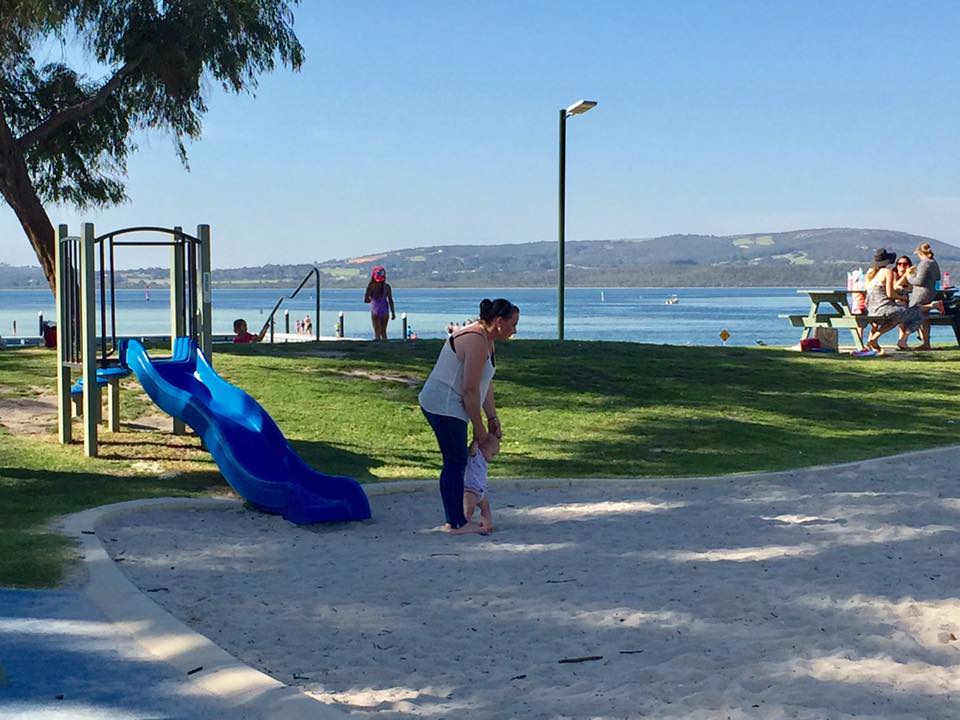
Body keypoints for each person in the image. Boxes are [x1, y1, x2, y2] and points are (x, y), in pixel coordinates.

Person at [418, 298, 519, 535]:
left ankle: (457, 518)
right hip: (443, 403)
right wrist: (478, 426)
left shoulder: (488, 340)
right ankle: (455, 523)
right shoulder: (475, 340)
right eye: (512, 324)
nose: (515, 330)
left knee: (457, 459)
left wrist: (492, 417)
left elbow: (486, 381)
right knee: (455, 461)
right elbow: (470, 389)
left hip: (454, 403)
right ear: (498, 321)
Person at [863, 248, 922, 354]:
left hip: (872, 310)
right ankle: (902, 341)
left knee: (895, 320)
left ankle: (873, 339)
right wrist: (903, 298)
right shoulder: (887, 272)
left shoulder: (872, 275)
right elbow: (890, 294)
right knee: (917, 314)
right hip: (885, 309)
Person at [905, 242, 943, 351]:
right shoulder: (933, 263)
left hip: (921, 293)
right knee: (924, 317)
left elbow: (918, 281)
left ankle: (934, 305)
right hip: (931, 291)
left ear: (920, 253)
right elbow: (937, 277)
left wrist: (909, 276)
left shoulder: (924, 263)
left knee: (912, 310)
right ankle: (926, 343)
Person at [463, 433, 499, 532]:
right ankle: (465, 523)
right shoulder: (476, 455)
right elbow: (472, 450)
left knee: (486, 508)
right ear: (481, 448)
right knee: (469, 508)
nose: (492, 458)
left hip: (480, 491)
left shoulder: (484, 461)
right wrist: (476, 441)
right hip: (470, 489)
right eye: (492, 454)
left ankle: (487, 524)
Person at [364, 265, 396, 340]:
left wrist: (370, 299)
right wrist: (393, 313)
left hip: (375, 310)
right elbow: (390, 300)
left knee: (377, 333)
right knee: (384, 332)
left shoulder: (371, 287)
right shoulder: (387, 287)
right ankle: (385, 347)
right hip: (385, 310)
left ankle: (378, 347)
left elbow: (366, 300)